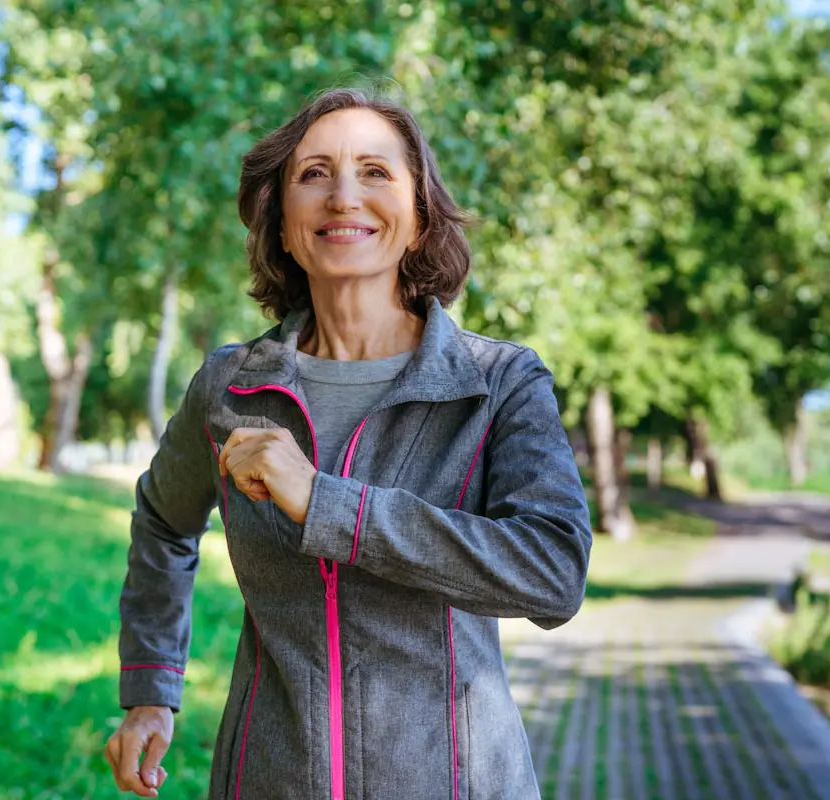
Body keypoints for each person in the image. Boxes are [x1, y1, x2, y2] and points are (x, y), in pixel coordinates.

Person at [105, 88, 593, 800]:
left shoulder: (497, 383)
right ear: (281, 223)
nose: (343, 197)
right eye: (314, 174)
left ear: (421, 218)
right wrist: (151, 687)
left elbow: (553, 573)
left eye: (375, 172)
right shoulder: (228, 389)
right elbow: (161, 521)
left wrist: (330, 506)